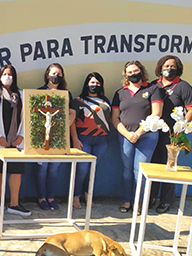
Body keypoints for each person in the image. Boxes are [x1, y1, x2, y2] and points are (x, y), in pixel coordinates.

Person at [111, 61, 163, 213]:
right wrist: (128, 134)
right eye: (130, 72)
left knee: (140, 171)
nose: (133, 74)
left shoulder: (153, 89)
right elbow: (115, 118)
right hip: (125, 136)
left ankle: (138, 203)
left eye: (135, 71)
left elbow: (156, 113)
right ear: (125, 75)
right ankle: (127, 201)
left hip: (147, 136)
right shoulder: (120, 93)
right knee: (127, 171)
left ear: (142, 71)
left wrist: (139, 133)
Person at [150, 55, 192, 213]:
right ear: (160, 68)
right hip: (153, 131)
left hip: (172, 134)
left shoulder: (183, 86)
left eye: (173, 66)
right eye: (166, 66)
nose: (169, 69)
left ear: (178, 69)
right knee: (153, 165)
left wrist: (181, 129)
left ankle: (166, 200)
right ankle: (151, 196)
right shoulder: (154, 85)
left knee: (169, 166)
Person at [0, 65, 30, 217]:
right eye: (4, 74)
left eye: (10, 74)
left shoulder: (21, 95)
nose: (7, 77)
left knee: (16, 171)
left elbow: (27, 117)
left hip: (16, 141)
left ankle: (14, 203)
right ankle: (1, 199)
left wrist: (22, 135)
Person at [36, 63, 77, 211]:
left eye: (59, 74)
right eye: (53, 73)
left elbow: (72, 112)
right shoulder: (39, 92)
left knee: (54, 169)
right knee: (42, 169)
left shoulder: (66, 94)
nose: (56, 76)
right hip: (42, 137)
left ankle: (51, 197)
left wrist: (64, 125)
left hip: (59, 138)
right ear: (47, 74)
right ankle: (41, 198)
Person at [72, 72, 111, 209]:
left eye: (98, 83)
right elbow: (71, 122)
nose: (95, 85)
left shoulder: (105, 101)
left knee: (93, 170)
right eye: (92, 83)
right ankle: (75, 196)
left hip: (102, 140)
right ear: (87, 84)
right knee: (82, 169)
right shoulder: (77, 101)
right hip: (84, 139)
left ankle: (88, 194)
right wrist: (75, 139)